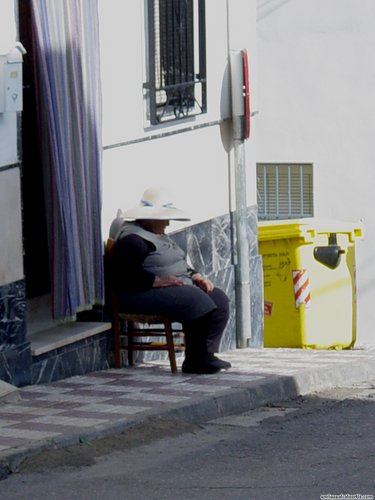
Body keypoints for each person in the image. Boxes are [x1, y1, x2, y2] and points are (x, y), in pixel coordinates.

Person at [110, 187, 231, 374]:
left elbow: (179, 262)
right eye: (165, 218)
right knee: (195, 300)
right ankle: (194, 361)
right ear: (151, 217)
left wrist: (195, 275)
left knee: (219, 299)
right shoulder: (134, 239)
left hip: (173, 285)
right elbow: (123, 273)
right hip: (139, 294)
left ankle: (206, 354)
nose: (167, 223)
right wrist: (154, 280)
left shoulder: (157, 233)